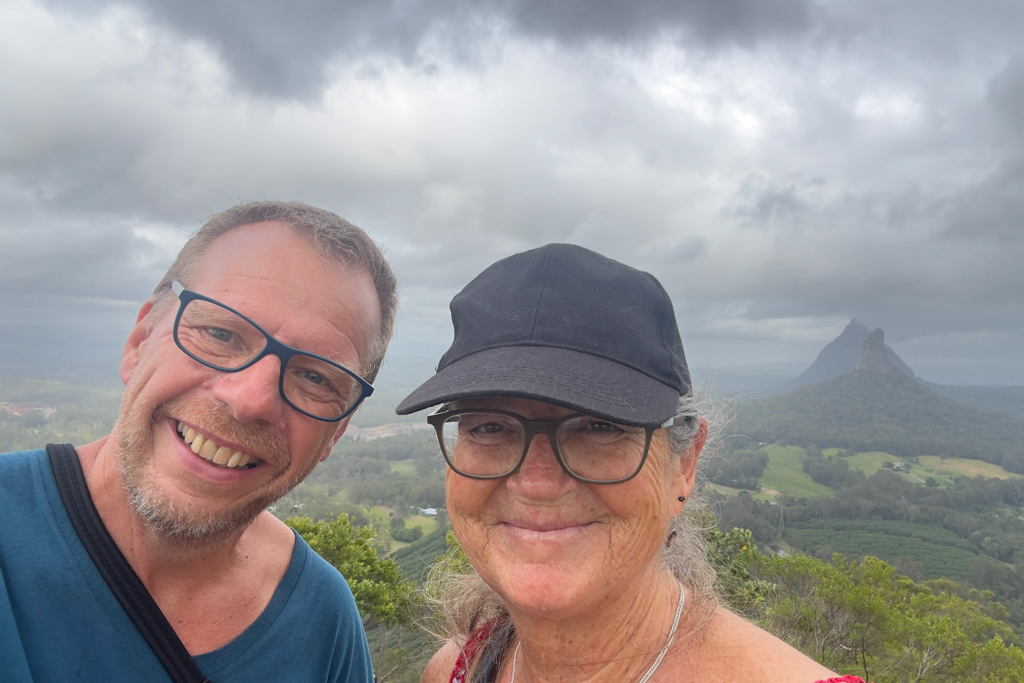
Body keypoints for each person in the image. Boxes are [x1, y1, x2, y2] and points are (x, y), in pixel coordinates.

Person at [396, 244, 866, 683]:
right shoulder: (457, 669)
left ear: (684, 463)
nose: (536, 483)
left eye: (599, 427)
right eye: (490, 427)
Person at [0, 201, 397, 682]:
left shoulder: (322, 620)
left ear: (335, 432)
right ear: (140, 341)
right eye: (220, 333)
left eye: (315, 377)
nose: (250, 400)